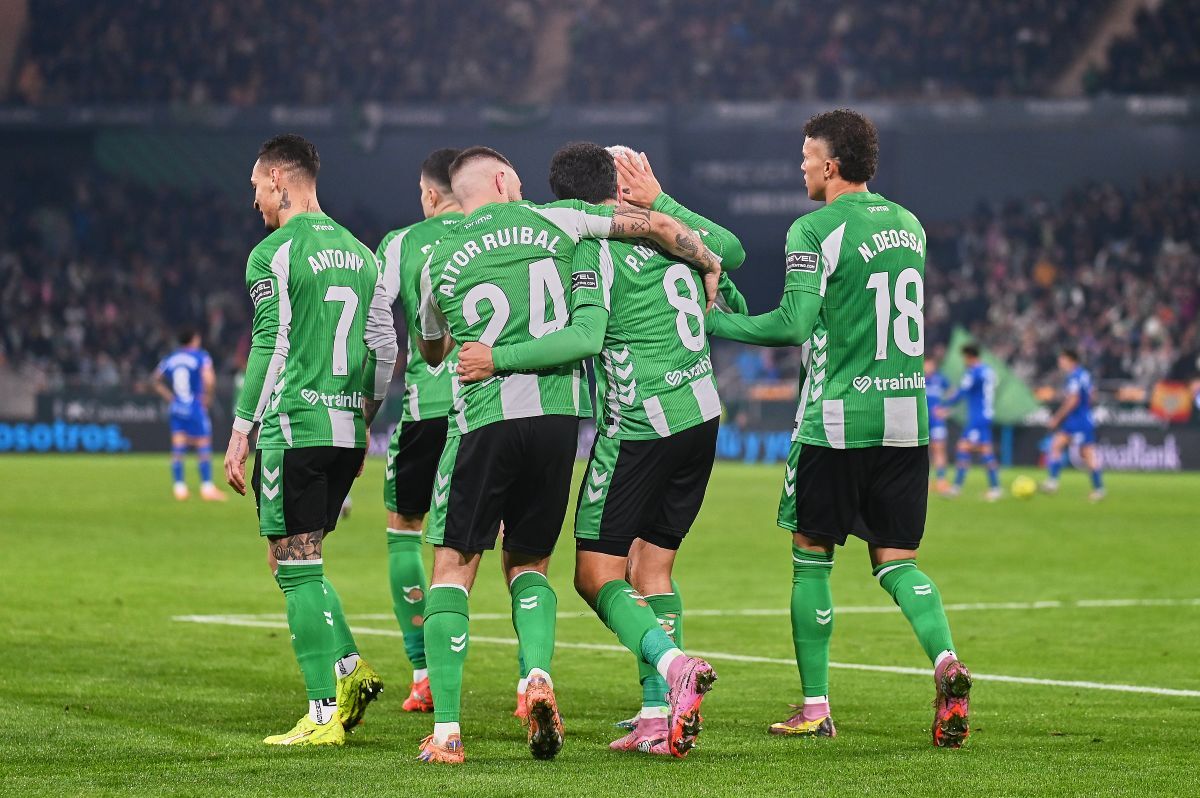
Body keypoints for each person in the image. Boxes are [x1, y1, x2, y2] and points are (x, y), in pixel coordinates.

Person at [413, 145, 724, 764]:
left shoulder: (434, 255)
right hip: (559, 420)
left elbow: (431, 349)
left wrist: (481, 347)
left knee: (454, 567)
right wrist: (709, 260)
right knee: (530, 566)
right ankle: (538, 680)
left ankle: (446, 731)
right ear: (504, 180)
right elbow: (652, 226)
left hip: (487, 417)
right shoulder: (558, 223)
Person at [706, 109, 971, 747]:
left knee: (810, 561)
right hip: (907, 417)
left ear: (830, 165)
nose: (800, 167)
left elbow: (796, 327)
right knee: (898, 563)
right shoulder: (909, 226)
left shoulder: (813, 228)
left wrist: (717, 321)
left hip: (836, 419)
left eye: (805, 156)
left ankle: (817, 707)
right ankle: (945, 663)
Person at [222, 133, 398, 746]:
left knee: (293, 565)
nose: (255, 204)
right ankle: (350, 668)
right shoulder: (363, 254)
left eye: (255, 190)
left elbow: (269, 347)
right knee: (295, 557)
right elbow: (384, 352)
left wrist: (242, 430)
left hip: (293, 425)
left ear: (278, 180)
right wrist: (361, 424)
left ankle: (323, 713)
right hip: (347, 428)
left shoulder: (272, 253)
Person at [375, 148, 465, 714]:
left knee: (405, 526)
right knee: (514, 546)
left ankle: (423, 672)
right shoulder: (503, 232)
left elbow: (379, 336)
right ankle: (530, 680)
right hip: (497, 405)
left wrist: (362, 417)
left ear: (430, 194)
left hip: (426, 405)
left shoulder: (400, 244)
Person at [154, 328, 224, 501]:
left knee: (178, 446)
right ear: (194, 339)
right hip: (194, 406)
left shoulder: (171, 357)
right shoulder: (200, 356)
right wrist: (208, 396)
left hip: (177, 406)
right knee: (203, 445)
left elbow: (155, 379)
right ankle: (207, 487)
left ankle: (179, 487)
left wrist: (169, 397)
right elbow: (209, 379)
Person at [1041, 348, 1105, 501]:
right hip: (1080, 418)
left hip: (1079, 421)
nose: (1060, 362)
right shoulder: (1084, 374)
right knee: (1056, 445)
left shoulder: (1074, 376)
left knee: (1087, 454)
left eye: (1062, 359)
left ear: (1070, 360)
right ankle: (1052, 482)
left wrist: (1057, 418)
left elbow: (1073, 400)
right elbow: (1091, 395)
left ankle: (1099, 489)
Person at [944, 344, 1002, 501]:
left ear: (969, 356)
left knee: (964, 447)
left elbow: (962, 392)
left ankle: (957, 488)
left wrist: (946, 405)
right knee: (985, 451)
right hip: (985, 414)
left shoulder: (974, 372)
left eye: (964, 357)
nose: (964, 361)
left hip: (978, 417)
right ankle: (995, 488)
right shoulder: (988, 370)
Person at [924, 354, 950, 494]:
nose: (929, 366)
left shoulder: (940, 379)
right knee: (922, 451)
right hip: (922, 420)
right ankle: (925, 480)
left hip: (937, 420)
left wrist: (947, 408)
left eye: (931, 364)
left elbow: (953, 392)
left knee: (939, 448)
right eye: (927, 363)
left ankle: (941, 480)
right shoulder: (918, 379)